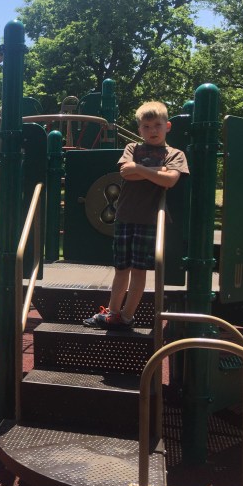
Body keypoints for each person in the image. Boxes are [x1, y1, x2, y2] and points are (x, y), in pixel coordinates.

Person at [84, 101, 189, 329]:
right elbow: (126, 173)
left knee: (139, 271)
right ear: (139, 129)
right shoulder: (133, 148)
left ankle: (127, 316)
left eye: (157, 125)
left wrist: (139, 169)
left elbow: (170, 180)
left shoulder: (175, 154)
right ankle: (112, 313)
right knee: (121, 269)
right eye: (146, 126)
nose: (152, 131)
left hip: (148, 220)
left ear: (167, 126)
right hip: (125, 216)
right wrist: (158, 171)